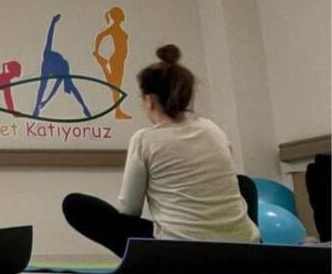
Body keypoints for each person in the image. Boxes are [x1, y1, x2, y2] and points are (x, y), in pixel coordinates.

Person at [62, 44, 260, 256]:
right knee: (243, 183)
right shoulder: (214, 130)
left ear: (149, 101)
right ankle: (244, 244)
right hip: (244, 248)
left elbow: (130, 210)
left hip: (179, 252)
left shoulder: (144, 140)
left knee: (74, 204)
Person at [33, 13, 91, 119]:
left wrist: (46, 101)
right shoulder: (46, 60)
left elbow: (55, 87)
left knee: (71, 86)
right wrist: (53, 22)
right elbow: (42, 88)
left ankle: (84, 107)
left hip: (61, 65)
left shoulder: (62, 68)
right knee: (42, 86)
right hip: (52, 64)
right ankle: (36, 109)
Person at [93, 5, 132, 120]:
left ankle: (118, 111)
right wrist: (97, 51)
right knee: (116, 86)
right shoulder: (114, 28)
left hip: (120, 59)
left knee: (116, 85)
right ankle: (118, 112)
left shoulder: (117, 28)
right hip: (116, 59)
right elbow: (100, 36)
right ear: (118, 16)